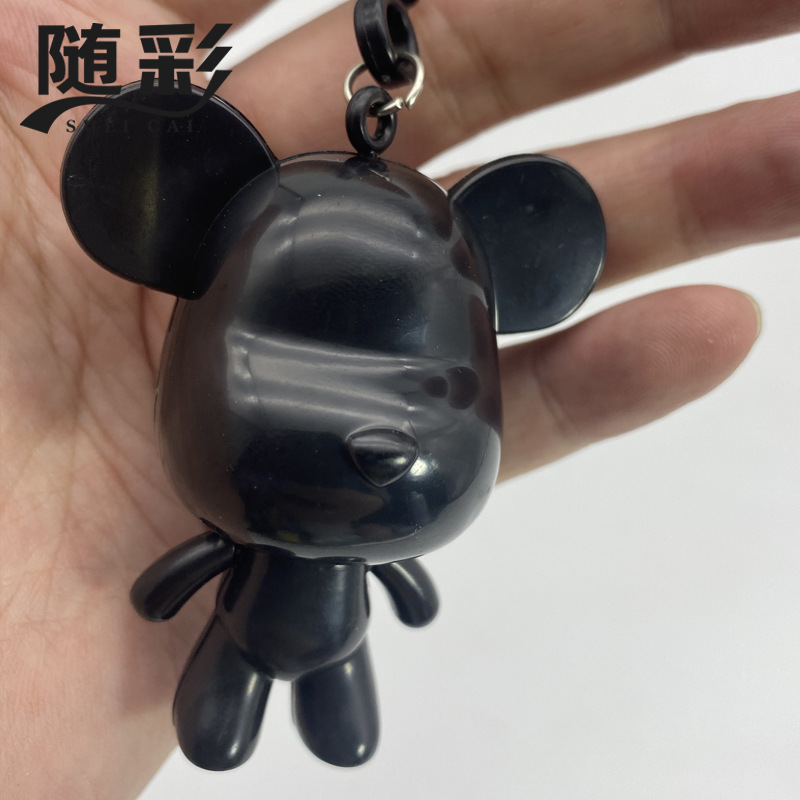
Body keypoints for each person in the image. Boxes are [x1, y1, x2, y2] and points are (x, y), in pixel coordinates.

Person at [1, 1, 797, 797]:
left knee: (342, 731)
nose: (367, 430)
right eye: (287, 350)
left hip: (325, 627)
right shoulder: (248, 263)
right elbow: (168, 589)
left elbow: (166, 594)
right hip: (252, 625)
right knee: (217, 731)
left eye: (423, 376)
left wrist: (167, 593)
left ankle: (327, 715)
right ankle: (244, 716)